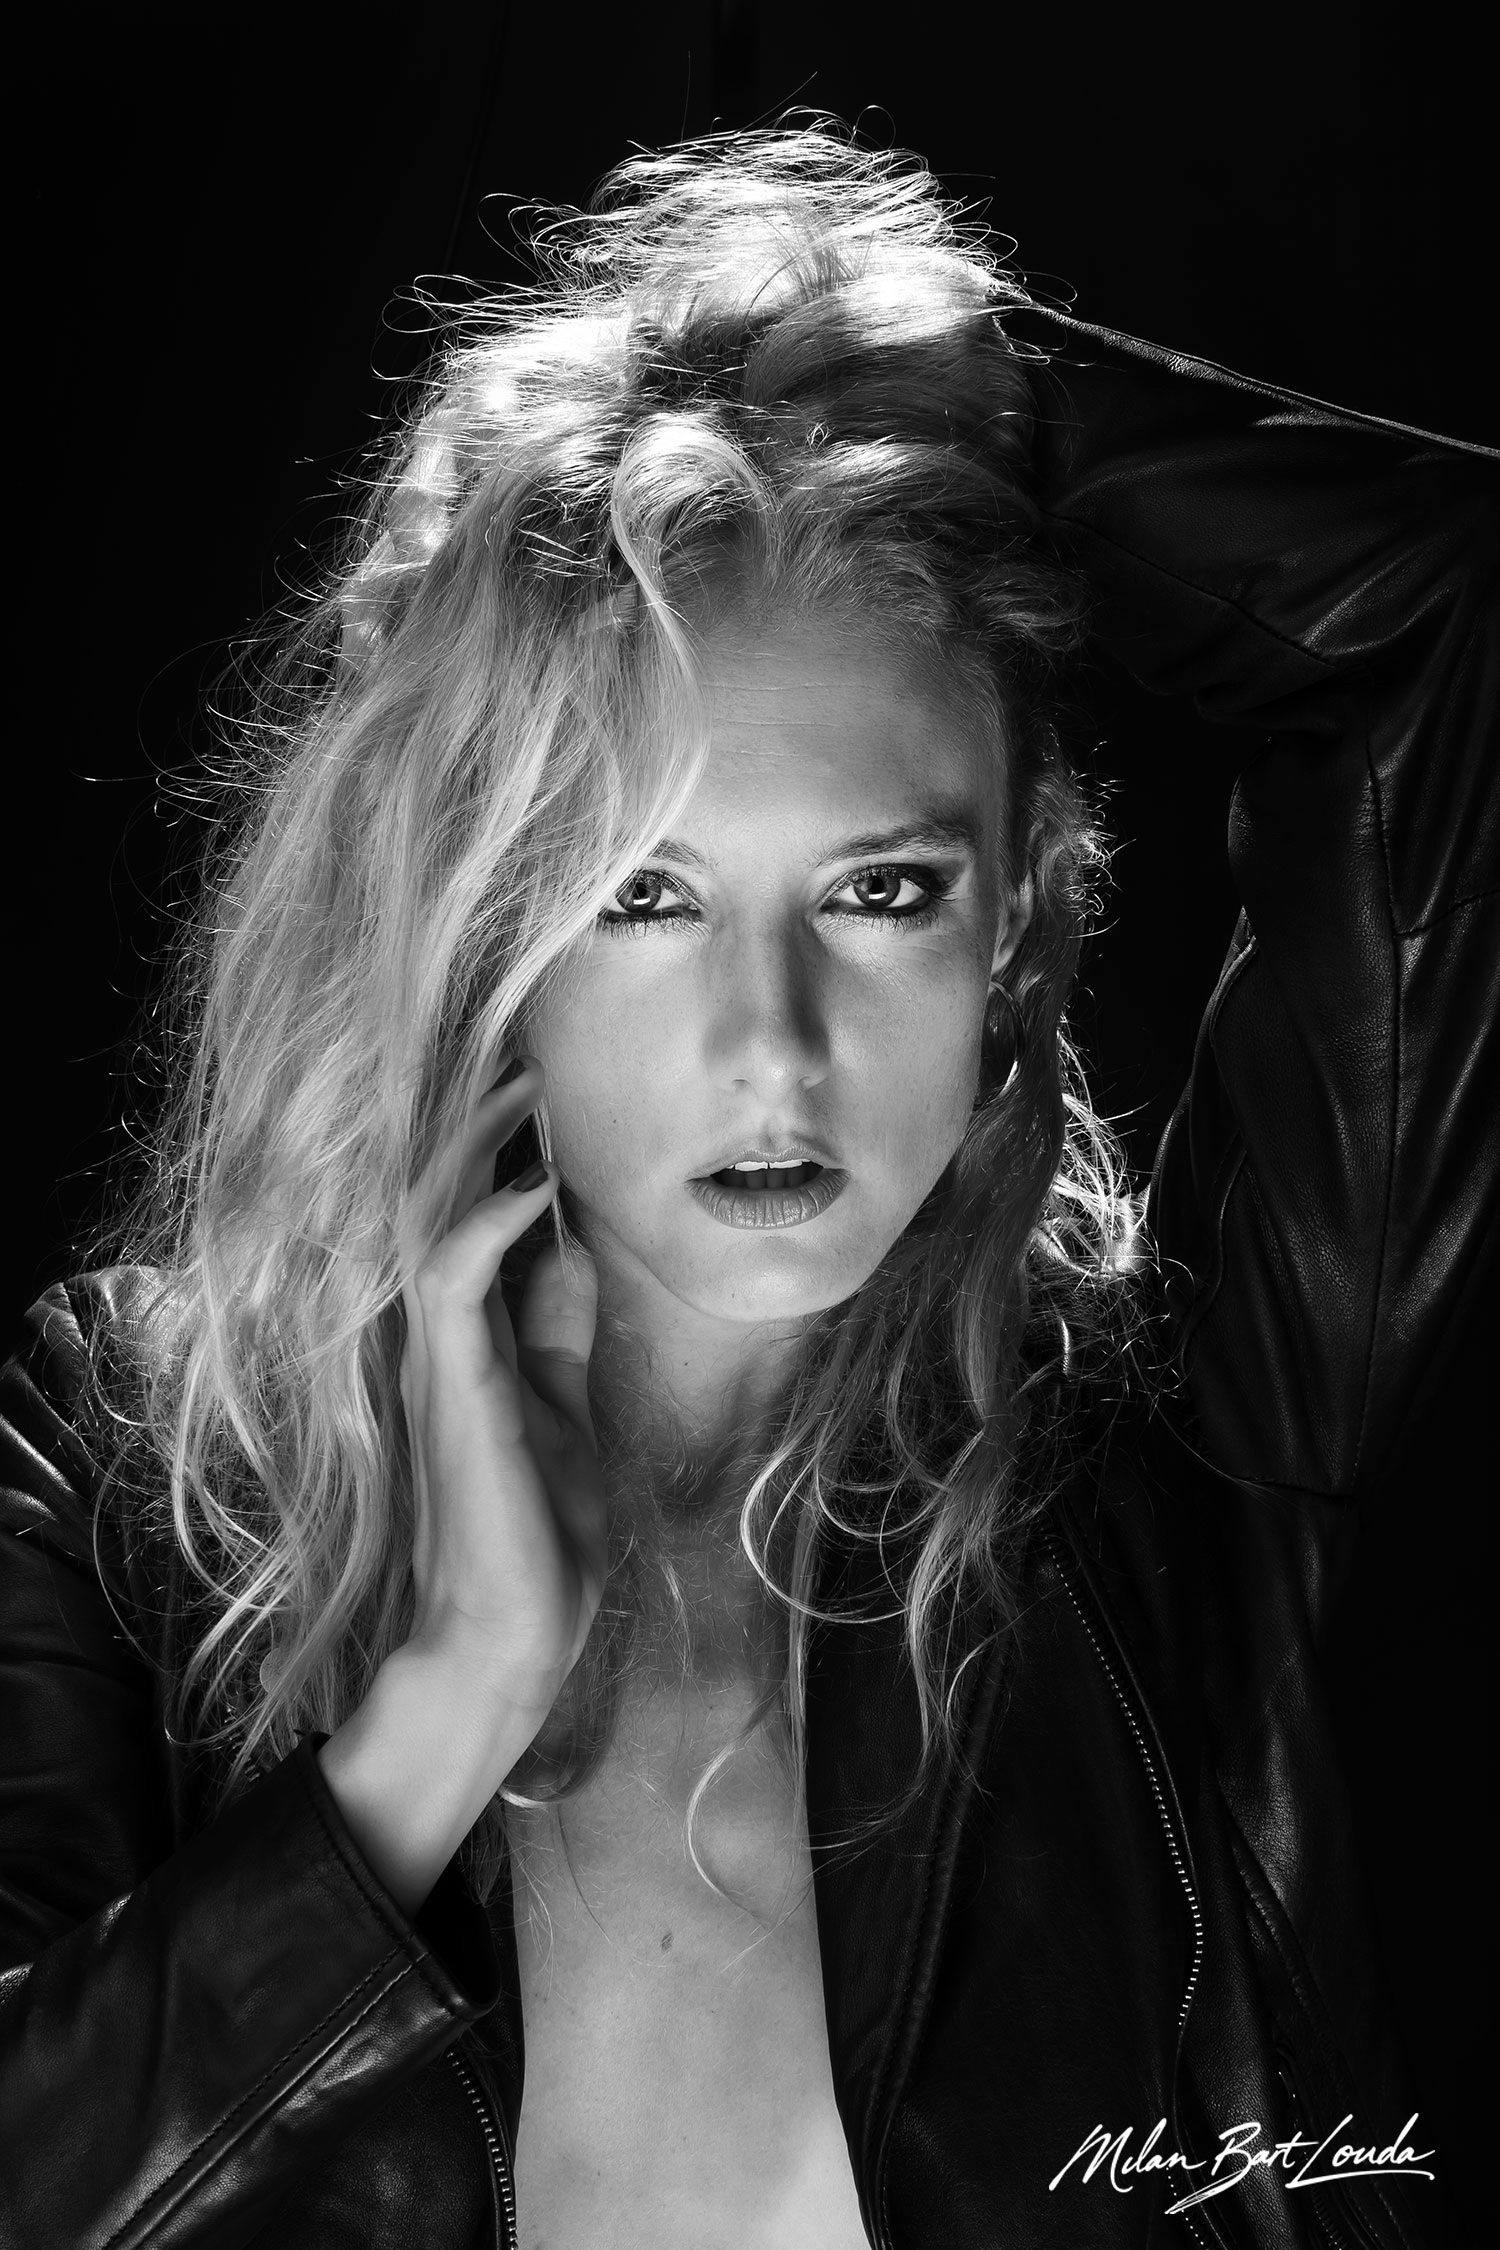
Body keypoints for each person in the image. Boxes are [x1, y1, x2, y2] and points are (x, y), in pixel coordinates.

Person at [0, 123, 1492, 2250]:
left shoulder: (1164, 1471)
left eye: (882, 891)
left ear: (1015, 919)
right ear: (486, 929)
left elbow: (1444, 625)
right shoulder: (142, 1467)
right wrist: (437, 1717)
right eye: (644, 894)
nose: (774, 1048)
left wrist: (896, 379)